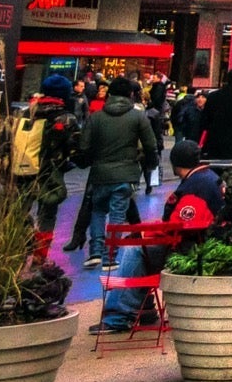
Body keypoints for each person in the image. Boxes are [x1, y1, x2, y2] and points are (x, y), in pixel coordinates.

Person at [96, 139, 224, 335]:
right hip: (202, 243)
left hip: (189, 248)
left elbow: (180, 226)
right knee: (142, 248)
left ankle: (118, 316)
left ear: (175, 163)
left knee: (135, 249)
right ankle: (144, 309)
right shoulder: (208, 177)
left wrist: (148, 233)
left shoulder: (195, 187)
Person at [77, 77, 159, 270]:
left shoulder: (96, 117)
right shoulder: (138, 117)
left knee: (98, 210)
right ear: (130, 95)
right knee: (117, 214)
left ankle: (95, 252)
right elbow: (150, 145)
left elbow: (84, 146)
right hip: (126, 173)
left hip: (100, 173)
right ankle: (110, 257)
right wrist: (150, 164)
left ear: (110, 94)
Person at [9, 75, 82, 235]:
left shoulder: (23, 113)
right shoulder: (66, 117)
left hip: (22, 170)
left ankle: (20, 248)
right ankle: (39, 256)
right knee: (47, 214)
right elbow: (76, 148)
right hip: (50, 174)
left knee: (19, 211)